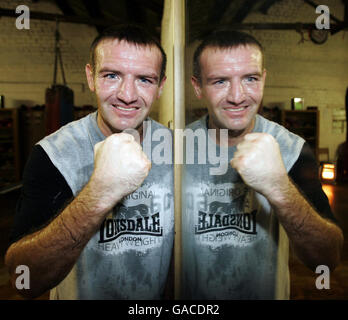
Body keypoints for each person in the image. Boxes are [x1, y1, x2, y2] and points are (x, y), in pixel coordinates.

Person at [5, 24, 174, 300]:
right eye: (111, 75)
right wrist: (99, 192)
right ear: (91, 77)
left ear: (161, 87)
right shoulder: (54, 154)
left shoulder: (174, 149)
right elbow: (24, 280)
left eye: (145, 79)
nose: (127, 95)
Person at [182, 29, 344, 299]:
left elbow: (327, 260)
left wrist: (279, 187)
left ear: (264, 79)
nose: (237, 96)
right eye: (220, 81)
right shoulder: (176, 148)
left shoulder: (291, 148)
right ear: (197, 86)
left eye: (250, 79)